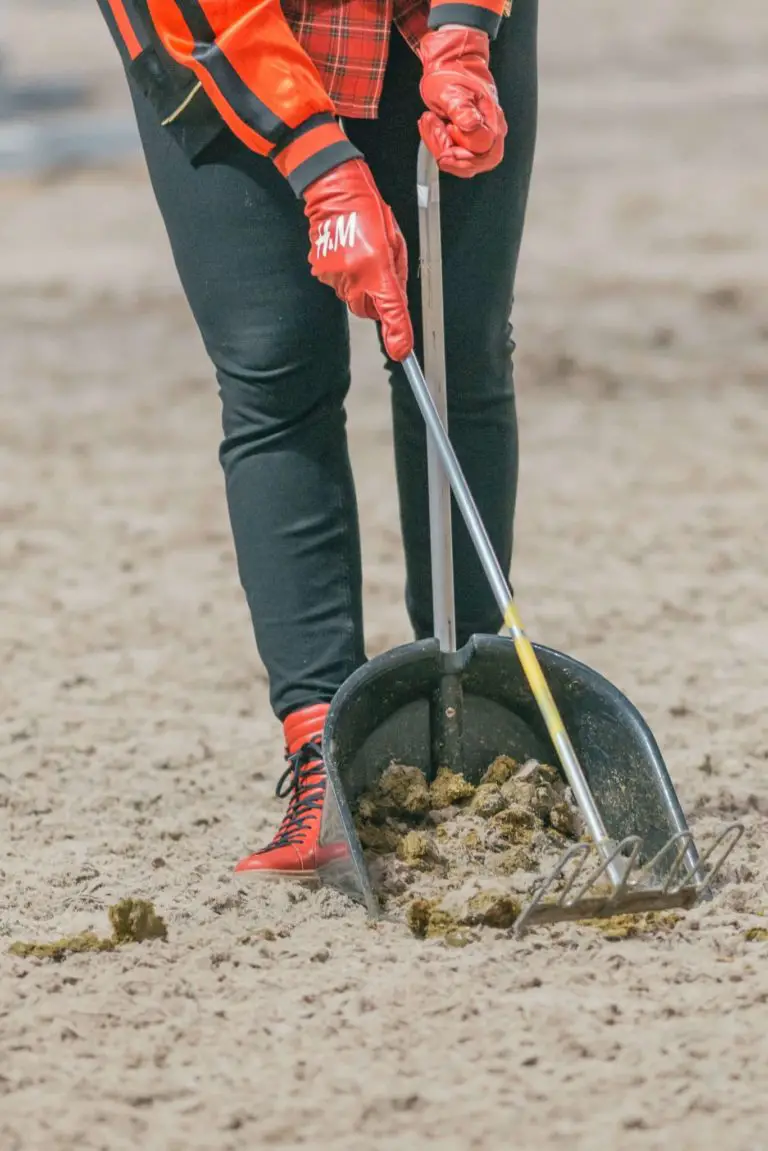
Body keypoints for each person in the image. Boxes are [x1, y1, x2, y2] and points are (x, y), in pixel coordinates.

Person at [97, 0, 538, 879]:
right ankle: (320, 753)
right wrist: (319, 165)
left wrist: (460, 33)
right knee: (277, 369)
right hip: (223, 41)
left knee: (457, 349)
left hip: (441, 26)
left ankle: (475, 715)